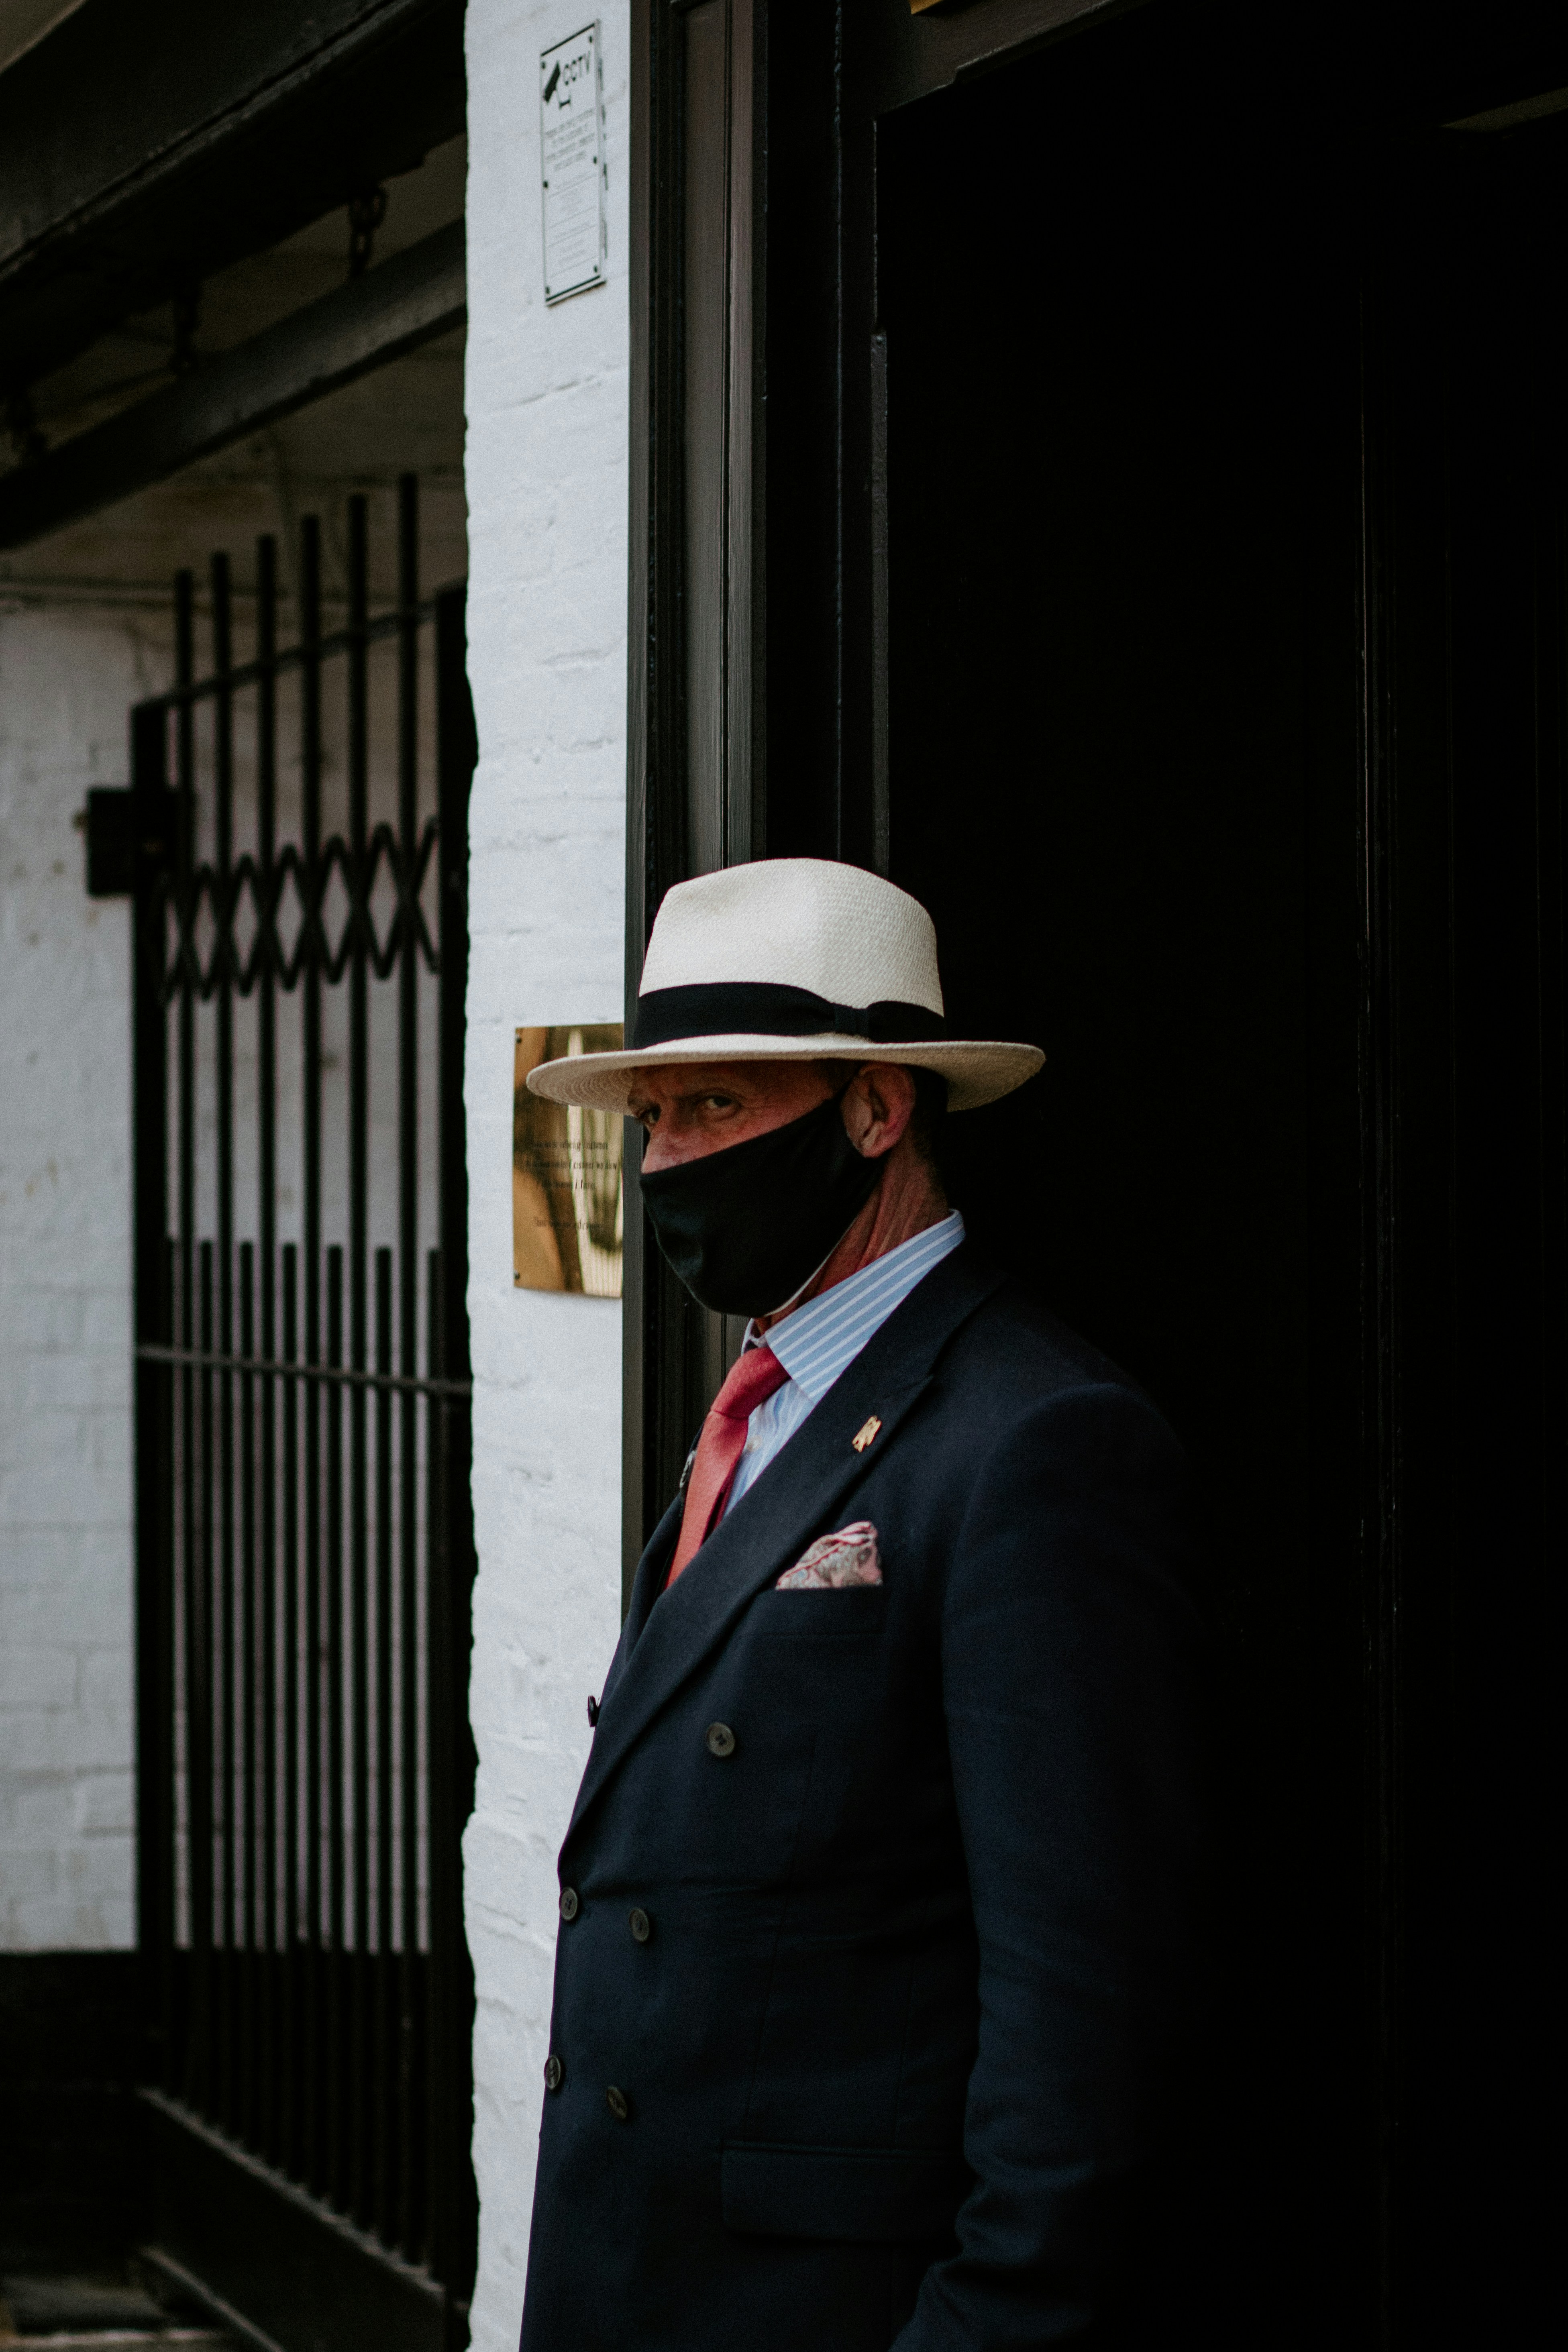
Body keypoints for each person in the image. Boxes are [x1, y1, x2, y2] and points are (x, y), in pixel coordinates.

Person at [517, 857, 1207, 2351]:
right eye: (650, 1119)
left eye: (716, 1108)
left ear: (876, 1110)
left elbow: (1079, 2021)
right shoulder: (763, 1401)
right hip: (636, 2272)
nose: (662, 1163)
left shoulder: (1036, 1436)